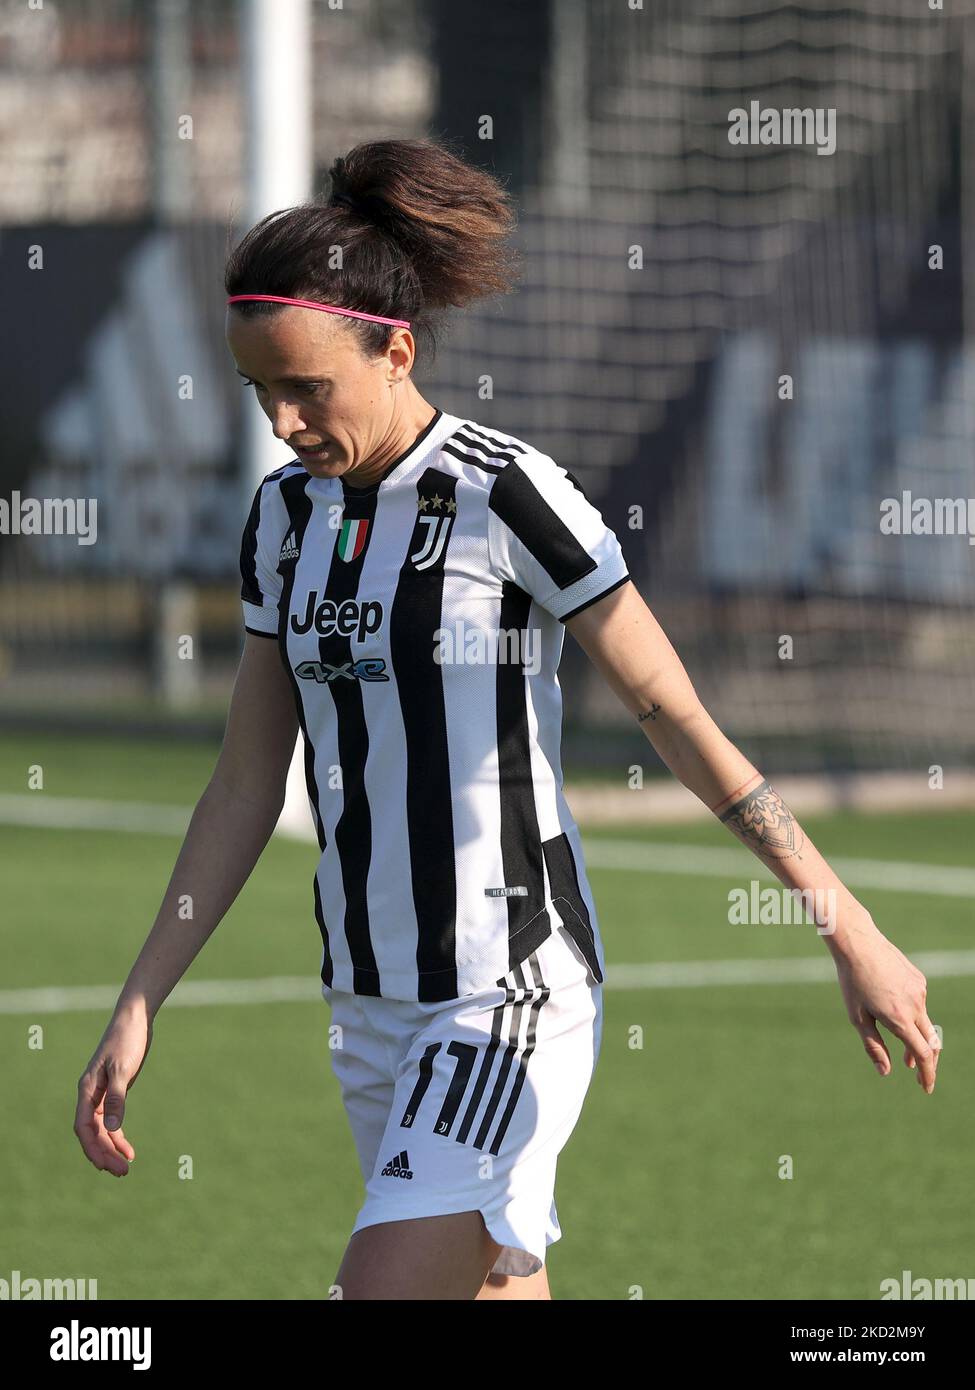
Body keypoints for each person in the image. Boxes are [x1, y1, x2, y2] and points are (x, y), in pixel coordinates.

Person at [74, 137, 941, 1301]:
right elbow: (243, 781)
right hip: (367, 1006)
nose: (280, 422)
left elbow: (668, 708)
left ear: (397, 349)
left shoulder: (507, 494)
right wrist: (140, 1000)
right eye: (258, 391)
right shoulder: (282, 522)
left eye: (305, 387)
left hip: (508, 991)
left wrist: (846, 920)